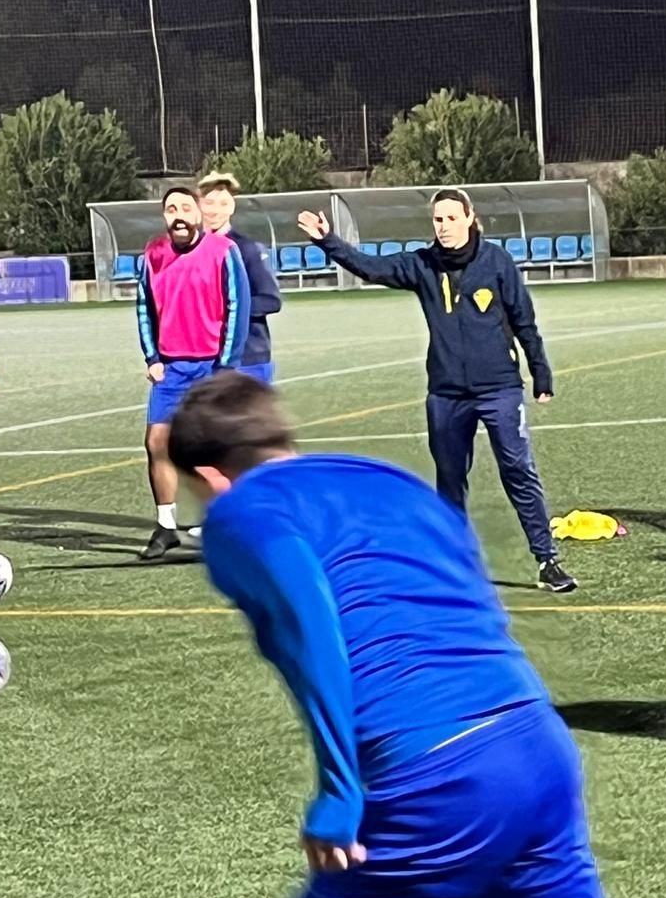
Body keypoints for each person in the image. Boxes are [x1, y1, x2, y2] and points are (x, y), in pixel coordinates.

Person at [167, 372, 633, 898]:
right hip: (534, 745)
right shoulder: (385, 481)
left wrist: (338, 786)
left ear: (211, 476)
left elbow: (309, 619)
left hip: (434, 777)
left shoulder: (241, 513)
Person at [298, 189, 576, 593]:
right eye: (437, 220)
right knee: (450, 478)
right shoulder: (422, 264)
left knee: (517, 469)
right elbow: (371, 268)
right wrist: (328, 241)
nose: (443, 227)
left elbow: (523, 320)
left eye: (450, 218)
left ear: (469, 217)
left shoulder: (497, 262)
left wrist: (541, 372)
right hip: (446, 393)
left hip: (499, 388)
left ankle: (547, 559)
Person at [135, 185, 251, 560]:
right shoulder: (152, 255)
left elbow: (237, 306)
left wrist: (226, 365)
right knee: (157, 443)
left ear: (199, 214)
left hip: (211, 366)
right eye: (171, 209)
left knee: (211, 451)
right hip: (170, 369)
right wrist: (152, 356)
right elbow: (143, 308)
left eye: (186, 207)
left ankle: (233, 524)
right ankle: (166, 527)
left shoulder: (223, 252)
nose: (179, 215)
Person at [199, 171, 282, 384]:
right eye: (210, 203)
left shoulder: (247, 249)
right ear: (200, 205)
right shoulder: (189, 251)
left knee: (252, 418)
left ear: (232, 207)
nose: (216, 210)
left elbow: (270, 300)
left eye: (223, 203)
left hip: (248, 357)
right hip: (202, 359)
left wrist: (224, 308)